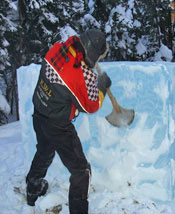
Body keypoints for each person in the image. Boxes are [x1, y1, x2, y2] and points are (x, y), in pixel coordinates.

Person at [26, 29, 111, 214]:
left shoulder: (57, 49)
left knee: (44, 150)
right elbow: (90, 105)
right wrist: (102, 88)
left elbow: (76, 73)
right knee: (81, 171)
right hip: (57, 124)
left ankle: (32, 189)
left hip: (39, 112)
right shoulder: (76, 76)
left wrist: (91, 77)